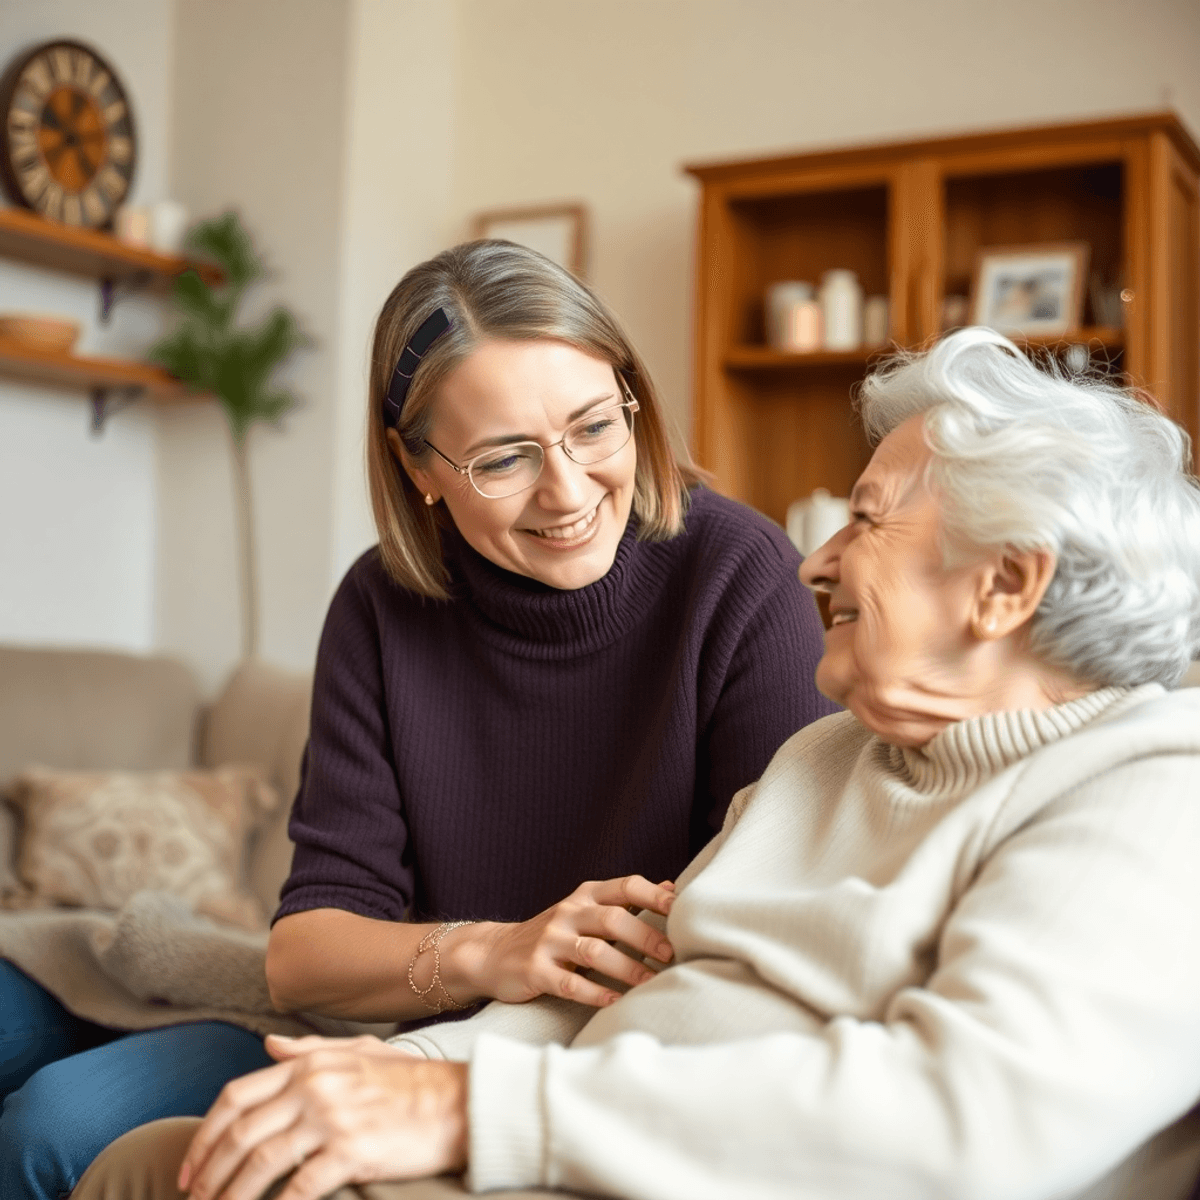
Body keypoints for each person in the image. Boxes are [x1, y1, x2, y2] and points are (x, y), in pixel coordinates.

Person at [75, 325, 1200, 1200]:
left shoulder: (1149, 796)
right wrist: (409, 1074)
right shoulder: (824, 759)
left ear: (1005, 584)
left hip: (689, 1168)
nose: (817, 559)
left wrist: (476, 1111)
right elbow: (618, 989)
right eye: (505, 455)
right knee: (161, 1159)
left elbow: (969, 1123)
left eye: (865, 520)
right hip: (581, 1139)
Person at [0, 240, 834, 1200]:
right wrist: (498, 948)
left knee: (52, 1131)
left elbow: (776, 933)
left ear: (630, 393)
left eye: (595, 426)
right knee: (46, 1129)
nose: (568, 491)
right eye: (504, 458)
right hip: (398, 1030)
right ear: (420, 465)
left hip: (594, 1060)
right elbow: (307, 954)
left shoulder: (737, 572)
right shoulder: (382, 604)